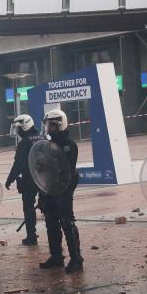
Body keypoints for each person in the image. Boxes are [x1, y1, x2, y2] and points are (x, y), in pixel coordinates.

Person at [38, 110, 83, 273]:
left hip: (63, 189)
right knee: (51, 222)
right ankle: (56, 256)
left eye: (52, 125)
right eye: (48, 125)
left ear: (60, 125)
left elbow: (66, 170)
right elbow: (43, 169)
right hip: (49, 189)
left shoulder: (68, 145)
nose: (49, 128)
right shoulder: (47, 145)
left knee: (66, 222)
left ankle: (76, 258)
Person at [5, 114, 45, 246]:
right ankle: (54, 236)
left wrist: (10, 179)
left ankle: (31, 236)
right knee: (49, 207)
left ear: (25, 126)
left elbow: (19, 164)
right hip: (45, 178)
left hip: (29, 180)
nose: (18, 132)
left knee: (28, 208)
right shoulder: (43, 137)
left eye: (19, 128)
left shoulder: (25, 142)